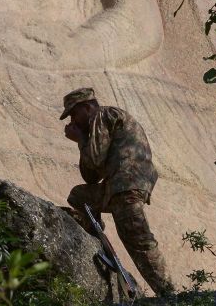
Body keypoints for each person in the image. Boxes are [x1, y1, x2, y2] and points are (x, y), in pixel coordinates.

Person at [60, 87, 174, 296]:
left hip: (126, 184)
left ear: (86, 107)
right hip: (117, 186)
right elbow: (91, 177)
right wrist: (83, 141)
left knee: (138, 239)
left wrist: (80, 141)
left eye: (74, 114)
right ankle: (93, 232)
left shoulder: (102, 115)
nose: (73, 121)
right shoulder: (96, 125)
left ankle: (170, 295)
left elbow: (96, 159)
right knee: (79, 195)